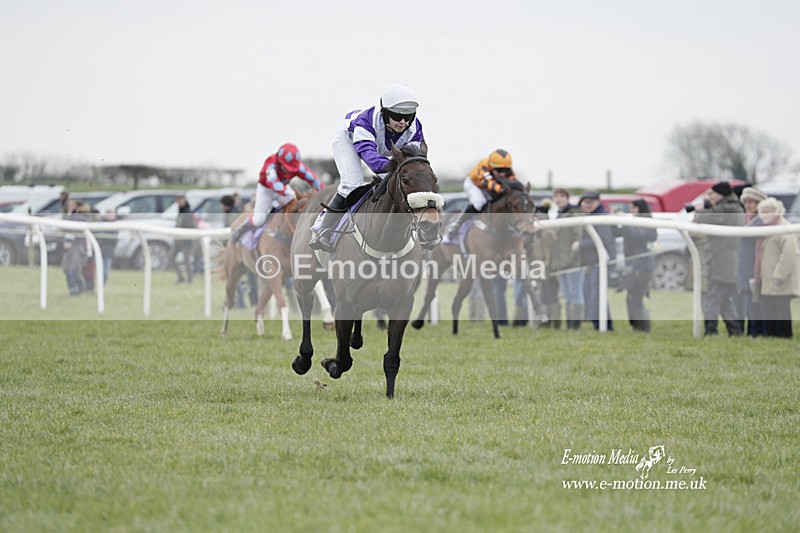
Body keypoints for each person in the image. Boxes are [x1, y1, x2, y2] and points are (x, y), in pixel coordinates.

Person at [309, 83, 424, 252]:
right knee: (352, 183)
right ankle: (322, 228)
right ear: (385, 113)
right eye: (397, 116)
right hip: (348, 141)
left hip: (381, 146)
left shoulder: (415, 128)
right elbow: (371, 159)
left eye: (408, 116)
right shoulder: (366, 122)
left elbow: (413, 161)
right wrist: (397, 169)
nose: (403, 122)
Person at [230, 143, 323, 244]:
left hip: (283, 187)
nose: (289, 171)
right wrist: (289, 192)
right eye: (286, 167)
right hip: (266, 189)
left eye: (292, 168)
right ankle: (242, 228)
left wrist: (323, 193)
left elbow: (314, 180)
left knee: (295, 206)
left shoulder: (297, 166)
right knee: (259, 220)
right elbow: (273, 182)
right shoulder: (270, 163)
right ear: (279, 160)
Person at [693, 181, 745, 336]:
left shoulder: (726, 209)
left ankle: (711, 331)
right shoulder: (734, 208)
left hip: (721, 261)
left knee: (713, 298)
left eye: (713, 194)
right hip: (727, 261)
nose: (711, 197)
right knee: (725, 300)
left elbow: (702, 218)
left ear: (721, 194)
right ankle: (735, 332)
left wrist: (700, 208)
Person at [445, 149, 518, 240]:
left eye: (506, 170)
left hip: (490, 186)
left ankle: (506, 226)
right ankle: (457, 225)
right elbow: (488, 183)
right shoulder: (483, 167)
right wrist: (504, 189)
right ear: (491, 167)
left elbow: (514, 184)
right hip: (474, 184)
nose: (503, 173)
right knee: (479, 203)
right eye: (499, 170)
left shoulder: (508, 172)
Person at [571, 191, 615, 331]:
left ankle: (603, 326)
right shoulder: (588, 216)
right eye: (585, 202)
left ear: (597, 202)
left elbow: (604, 239)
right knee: (592, 294)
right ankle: (601, 325)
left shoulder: (602, 217)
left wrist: (581, 245)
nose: (588, 205)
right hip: (591, 263)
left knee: (597, 295)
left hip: (601, 263)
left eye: (591, 202)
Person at [756, 197, 799, 338]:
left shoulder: (785, 228)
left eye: (767, 212)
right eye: (762, 212)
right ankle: (771, 335)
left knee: (781, 309)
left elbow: (790, 253)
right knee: (769, 307)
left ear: (776, 211)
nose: (763, 215)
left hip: (781, 279)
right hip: (768, 278)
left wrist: (780, 274)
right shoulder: (767, 229)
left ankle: (784, 336)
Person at [617, 199, 658, 332]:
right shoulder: (634, 223)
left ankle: (643, 327)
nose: (631, 211)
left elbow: (638, 237)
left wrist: (626, 223)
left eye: (633, 208)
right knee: (631, 297)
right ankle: (637, 326)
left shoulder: (647, 223)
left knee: (636, 297)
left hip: (643, 266)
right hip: (633, 265)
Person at [551, 188, 584, 329]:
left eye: (562, 196)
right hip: (561, 262)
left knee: (575, 293)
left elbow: (578, 236)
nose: (559, 199)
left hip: (573, 261)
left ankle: (576, 324)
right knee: (566, 294)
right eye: (556, 197)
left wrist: (572, 257)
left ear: (567, 198)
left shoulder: (574, 214)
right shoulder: (558, 215)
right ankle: (570, 322)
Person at [736, 186, 767, 337]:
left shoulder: (760, 222)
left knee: (755, 304)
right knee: (747, 303)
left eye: (751, 202)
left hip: (754, 268)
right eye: (746, 202)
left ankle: (756, 332)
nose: (748, 205)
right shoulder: (746, 220)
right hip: (744, 267)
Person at [175, 195, 196, 283]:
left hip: (186, 241)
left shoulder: (188, 212)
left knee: (187, 261)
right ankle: (181, 277)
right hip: (178, 240)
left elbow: (189, 228)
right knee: (171, 257)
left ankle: (190, 280)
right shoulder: (180, 211)